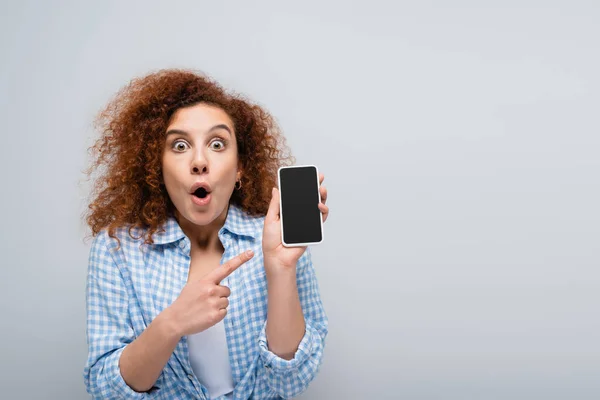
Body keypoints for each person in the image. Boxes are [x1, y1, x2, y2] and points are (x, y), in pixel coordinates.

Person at [81, 69, 330, 399]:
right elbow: (106, 390)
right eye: (180, 145)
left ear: (240, 166)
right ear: (157, 165)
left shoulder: (277, 237)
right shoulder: (116, 250)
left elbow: (290, 380)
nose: (199, 161)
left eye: (217, 143)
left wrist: (281, 270)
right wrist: (171, 324)